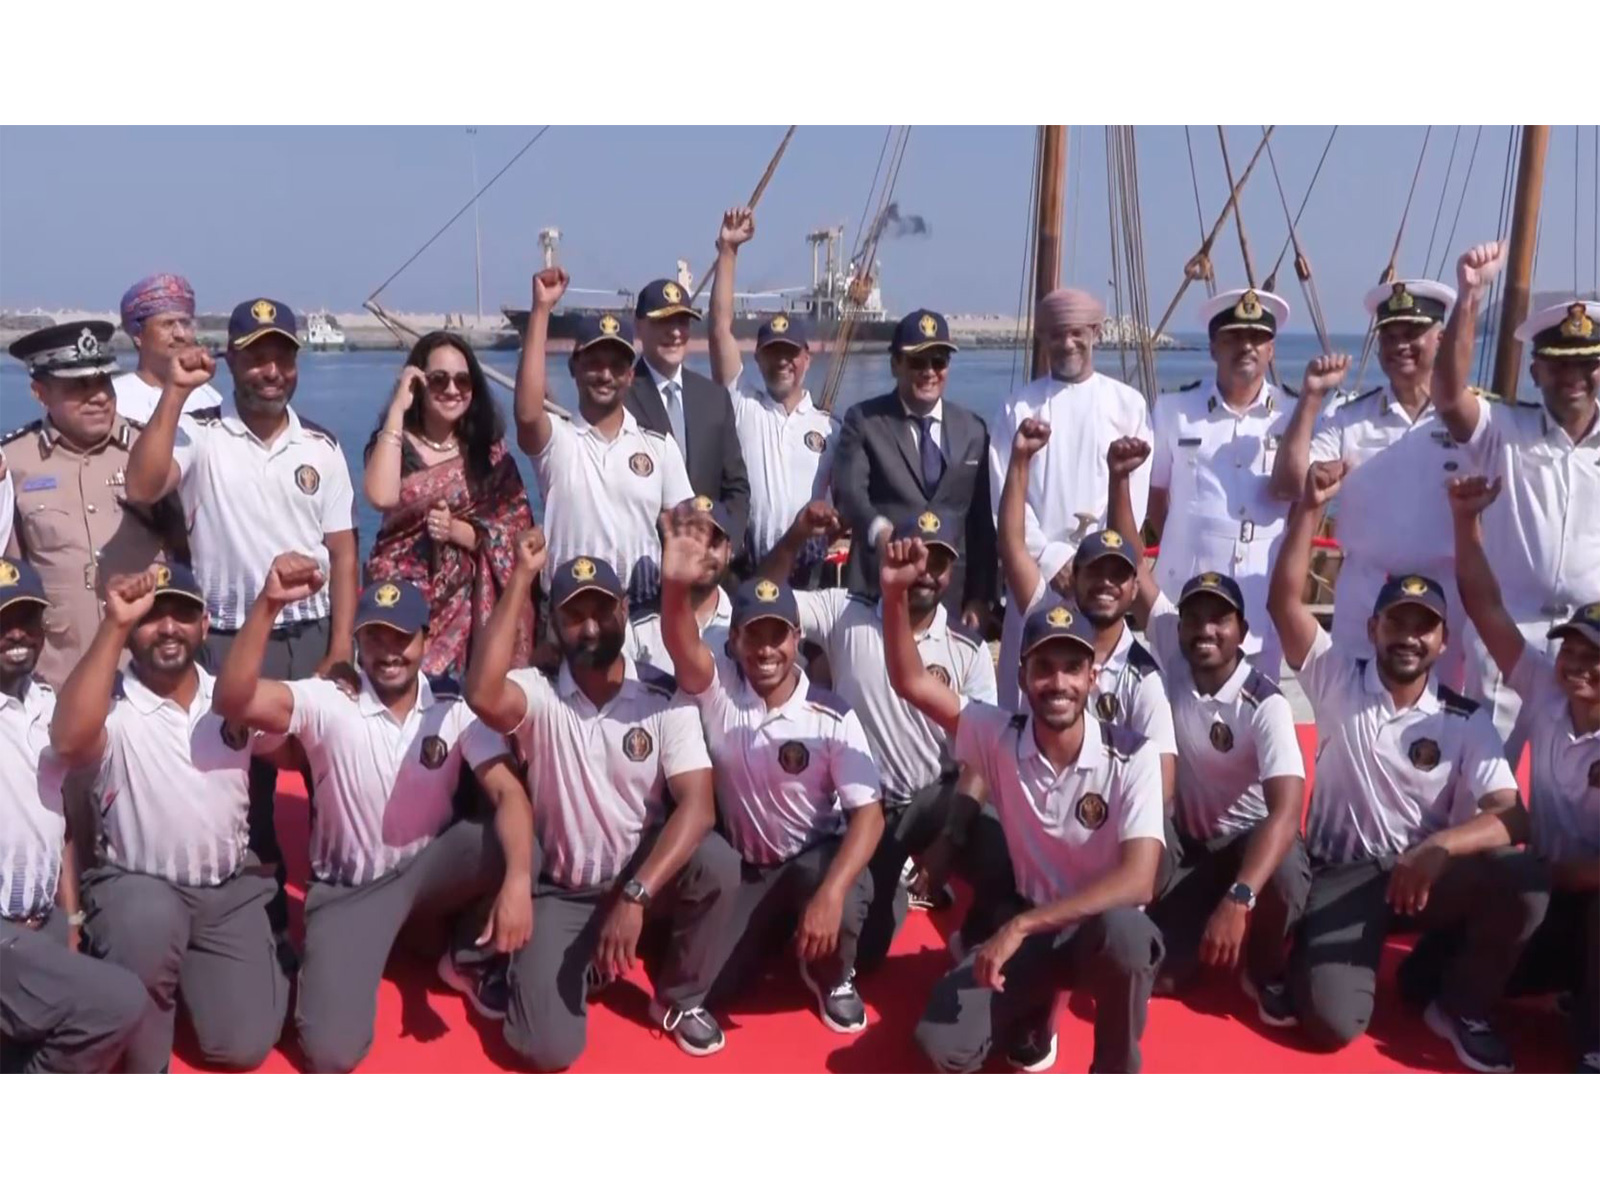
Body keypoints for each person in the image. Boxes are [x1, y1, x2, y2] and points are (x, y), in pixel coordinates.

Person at [1266, 460, 1546, 1072]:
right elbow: (1285, 600)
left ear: (1444, 641)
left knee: (1525, 882)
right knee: (1330, 1025)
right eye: (1398, 623)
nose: (1410, 638)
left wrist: (1443, 845)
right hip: (1343, 874)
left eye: (1426, 628)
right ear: (1373, 627)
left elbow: (1512, 818)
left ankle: (1455, 1001)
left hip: (1425, 875)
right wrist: (1309, 508)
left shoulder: (1465, 718)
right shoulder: (1338, 675)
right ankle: (1313, 952)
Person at [209, 565, 535, 1071]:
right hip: (349, 892)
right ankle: (388, 943)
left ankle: (463, 959)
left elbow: (509, 794)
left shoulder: (453, 705)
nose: (389, 652)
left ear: (427, 639)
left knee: (518, 845)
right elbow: (231, 699)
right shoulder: (328, 699)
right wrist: (269, 605)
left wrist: (517, 881)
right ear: (358, 643)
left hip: (427, 874)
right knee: (330, 1053)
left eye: (402, 637)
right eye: (375, 637)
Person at [122, 297, 359, 940]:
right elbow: (142, 486)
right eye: (256, 356)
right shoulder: (198, 431)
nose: (270, 369)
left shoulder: (323, 445)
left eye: (281, 355)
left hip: (311, 635)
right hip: (229, 637)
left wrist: (341, 646)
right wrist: (173, 394)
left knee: (329, 776)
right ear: (231, 361)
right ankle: (266, 920)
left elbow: (343, 552)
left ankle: (336, 907)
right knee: (241, 788)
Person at [463, 529, 740, 1065]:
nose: (590, 626)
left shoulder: (665, 694)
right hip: (565, 891)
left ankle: (678, 997)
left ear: (622, 609)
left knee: (719, 865)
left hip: (639, 881)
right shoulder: (538, 693)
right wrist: (521, 576)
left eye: (602, 610)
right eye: (573, 615)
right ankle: (558, 960)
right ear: (555, 625)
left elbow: (699, 805)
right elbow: (479, 693)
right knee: (547, 1049)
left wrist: (636, 897)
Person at [887, 558, 1166, 1073]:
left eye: (1072, 667)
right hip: (1034, 931)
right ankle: (1038, 1007)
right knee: (939, 1045)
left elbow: (1139, 881)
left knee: (1129, 936)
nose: (1057, 682)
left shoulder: (1134, 755)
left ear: (1093, 676)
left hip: (1096, 936)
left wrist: (1019, 926)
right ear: (1022, 675)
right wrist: (894, 595)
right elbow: (909, 680)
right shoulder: (999, 734)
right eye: (1043, 667)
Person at [47, 563, 290, 1073]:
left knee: (241, 1046)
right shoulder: (110, 704)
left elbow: (306, 740)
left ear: (205, 625)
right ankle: (141, 988)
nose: (169, 627)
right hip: (139, 889)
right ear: (134, 629)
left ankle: (205, 971)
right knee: (148, 935)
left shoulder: (232, 695)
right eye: (153, 617)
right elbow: (67, 740)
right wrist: (114, 623)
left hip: (224, 891)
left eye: (183, 614)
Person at [1104, 442, 1310, 1022]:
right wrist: (1122, 481)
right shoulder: (1171, 639)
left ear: (1242, 630)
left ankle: (1263, 966)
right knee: (1163, 977)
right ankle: (1185, 918)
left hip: (1247, 849)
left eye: (1219, 619)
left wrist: (1241, 896)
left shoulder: (1263, 703)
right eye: (1195, 616)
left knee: (1288, 869)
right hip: (1189, 847)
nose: (1204, 630)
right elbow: (1134, 566)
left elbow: (1287, 810)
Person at [659, 512, 884, 1035]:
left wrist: (829, 895)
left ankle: (834, 975)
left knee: (846, 893)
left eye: (777, 636)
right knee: (718, 988)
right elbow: (680, 643)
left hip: (812, 862)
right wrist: (675, 585)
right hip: (750, 869)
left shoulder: (832, 715)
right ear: (733, 639)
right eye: (753, 636)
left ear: (798, 638)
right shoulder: (719, 692)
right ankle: (776, 941)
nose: (765, 650)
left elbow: (869, 819)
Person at [759, 501, 996, 969]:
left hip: (933, 801)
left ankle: (982, 936)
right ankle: (893, 884)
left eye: (940, 562)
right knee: (865, 956)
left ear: (952, 571)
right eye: (917, 557)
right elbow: (765, 594)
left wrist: (949, 839)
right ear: (895, 556)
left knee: (1000, 840)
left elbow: (983, 756)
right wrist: (796, 537)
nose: (925, 573)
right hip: (863, 808)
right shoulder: (844, 610)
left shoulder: (968, 649)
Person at [1450, 474, 1598, 1073]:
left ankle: (1593, 1040)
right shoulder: (1544, 688)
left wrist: (1553, 877)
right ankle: (1466, 1005)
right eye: (1571, 652)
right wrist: (1466, 522)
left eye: (1595, 657)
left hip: (1582, 893)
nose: (1577, 666)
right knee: (1427, 976)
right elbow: (1485, 606)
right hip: (1550, 894)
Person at [1431, 241, 1600, 746]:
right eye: (1558, 365)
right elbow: (1447, 394)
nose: (1573, 377)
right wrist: (1470, 295)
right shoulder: (1504, 428)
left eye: (1585, 363)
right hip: (1507, 639)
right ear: (1536, 372)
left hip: (1588, 647)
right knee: (1485, 783)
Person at [1270, 280, 1466, 685]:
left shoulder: (1471, 422)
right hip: (1366, 594)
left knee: (1441, 722)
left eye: (1413, 334)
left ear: (1442, 338)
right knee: (1347, 712)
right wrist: (1310, 398)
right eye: (1390, 336)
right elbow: (1291, 482)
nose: (1400, 346)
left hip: (1445, 596)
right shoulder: (1349, 418)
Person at [0, 557, 151, 1073]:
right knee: (119, 1002)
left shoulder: (46, 707)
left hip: (40, 921)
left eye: (25, 619)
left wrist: (71, 917)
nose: (14, 633)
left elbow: (56, 819)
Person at [988, 287, 1154, 707]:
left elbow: (1133, 500)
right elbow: (1004, 498)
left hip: (1103, 584)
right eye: (1056, 335)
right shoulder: (1018, 408)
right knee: (1027, 702)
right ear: (1042, 337)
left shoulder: (1127, 405)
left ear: (1096, 332)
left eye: (1077, 333)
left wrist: (1089, 566)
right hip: (1037, 581)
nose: (1067, 343)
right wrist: (1052, 559)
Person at [999, 419, 1177, 803]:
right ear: (1073, 577)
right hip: (1041, 803)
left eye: (1118, 576)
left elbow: (1161, 787)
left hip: (1114, 818)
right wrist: (1020, 459)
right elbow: (1013, 544)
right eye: (1095, 572)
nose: (1106, 584)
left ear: (1134, 589)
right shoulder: (1048, 613)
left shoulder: (1144, 678)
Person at [4, 320, 185, 687]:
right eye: (79, 385)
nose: (99, 396)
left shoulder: (150, 451)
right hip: (58, 675)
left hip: (147, 674)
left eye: (104, 382)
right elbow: (12, 573)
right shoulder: (13, 462)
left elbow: (187, 553)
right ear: (40, 391)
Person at [514, 269, 693, 607]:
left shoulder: (659, 447)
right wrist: (540, 312)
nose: (605, 375)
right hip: (571, 616)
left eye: (615, 366)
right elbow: (526, 414)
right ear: (573, 368)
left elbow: (689, 535)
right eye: (594, 363)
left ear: (630, 374)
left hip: (644, 615)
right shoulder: (558, 442)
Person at [363, 331, 535, 676]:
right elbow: (381, 496)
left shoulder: (490, 455)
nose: (452, 390)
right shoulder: (394, 444)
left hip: (470, 611)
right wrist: (398, 408)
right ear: (418, 383)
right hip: (401, 604)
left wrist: (458, 531)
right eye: (438, 380)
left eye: (463, 380)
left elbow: (515, 530)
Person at [1149, 288, 1294, 682]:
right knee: (1175, 707)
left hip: (1260, 598)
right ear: (1213, 347)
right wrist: (1187, 544)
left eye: (1257, 338)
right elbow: (1156, 497)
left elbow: (1300, 507)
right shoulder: (1174, 411)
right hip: (1186, 596)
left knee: (1257, 707)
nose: (1245, 347)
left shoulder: (1294, 415)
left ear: (1271, 350)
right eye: (1232, 338)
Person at [832, 308, 998, 626]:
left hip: (949, 598)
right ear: (896, 364)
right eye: (917, 361)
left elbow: (981, 525)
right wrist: (880, 532)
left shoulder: (973, 430)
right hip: (878, 591)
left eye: (939, 361)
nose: (929, 372)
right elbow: (849, 493)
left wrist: (980, 597)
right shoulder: (865, 421)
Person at [707, 207, 837, 584]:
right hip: (748, 572)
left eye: (790, 354)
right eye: (772, 353)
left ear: (806, 359)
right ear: (758, 359)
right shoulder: (742, 404)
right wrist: (729, 252)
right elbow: (719, 329)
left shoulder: (833, 428)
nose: (782, 362)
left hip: (810, 578)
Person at [625, 275, 751, 555]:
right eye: (663, 322)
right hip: (646, 569)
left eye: (681, 322)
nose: (675, 332)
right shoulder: (621, 400)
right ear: (639, 327)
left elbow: (737, 487)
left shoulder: (715, 398)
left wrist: (728, 545)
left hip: (711, 565)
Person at [624, 494, 735, 679]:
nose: (702, 552)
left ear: (729, 551)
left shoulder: (740, 623)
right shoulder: (637, 626)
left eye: (713, 542)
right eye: (691, 541)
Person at [112, 272, 224, 422]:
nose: (180, 334)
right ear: (138, 335)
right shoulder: (115, 401)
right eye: (167, 324)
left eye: (185, 323)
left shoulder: (211, 400)